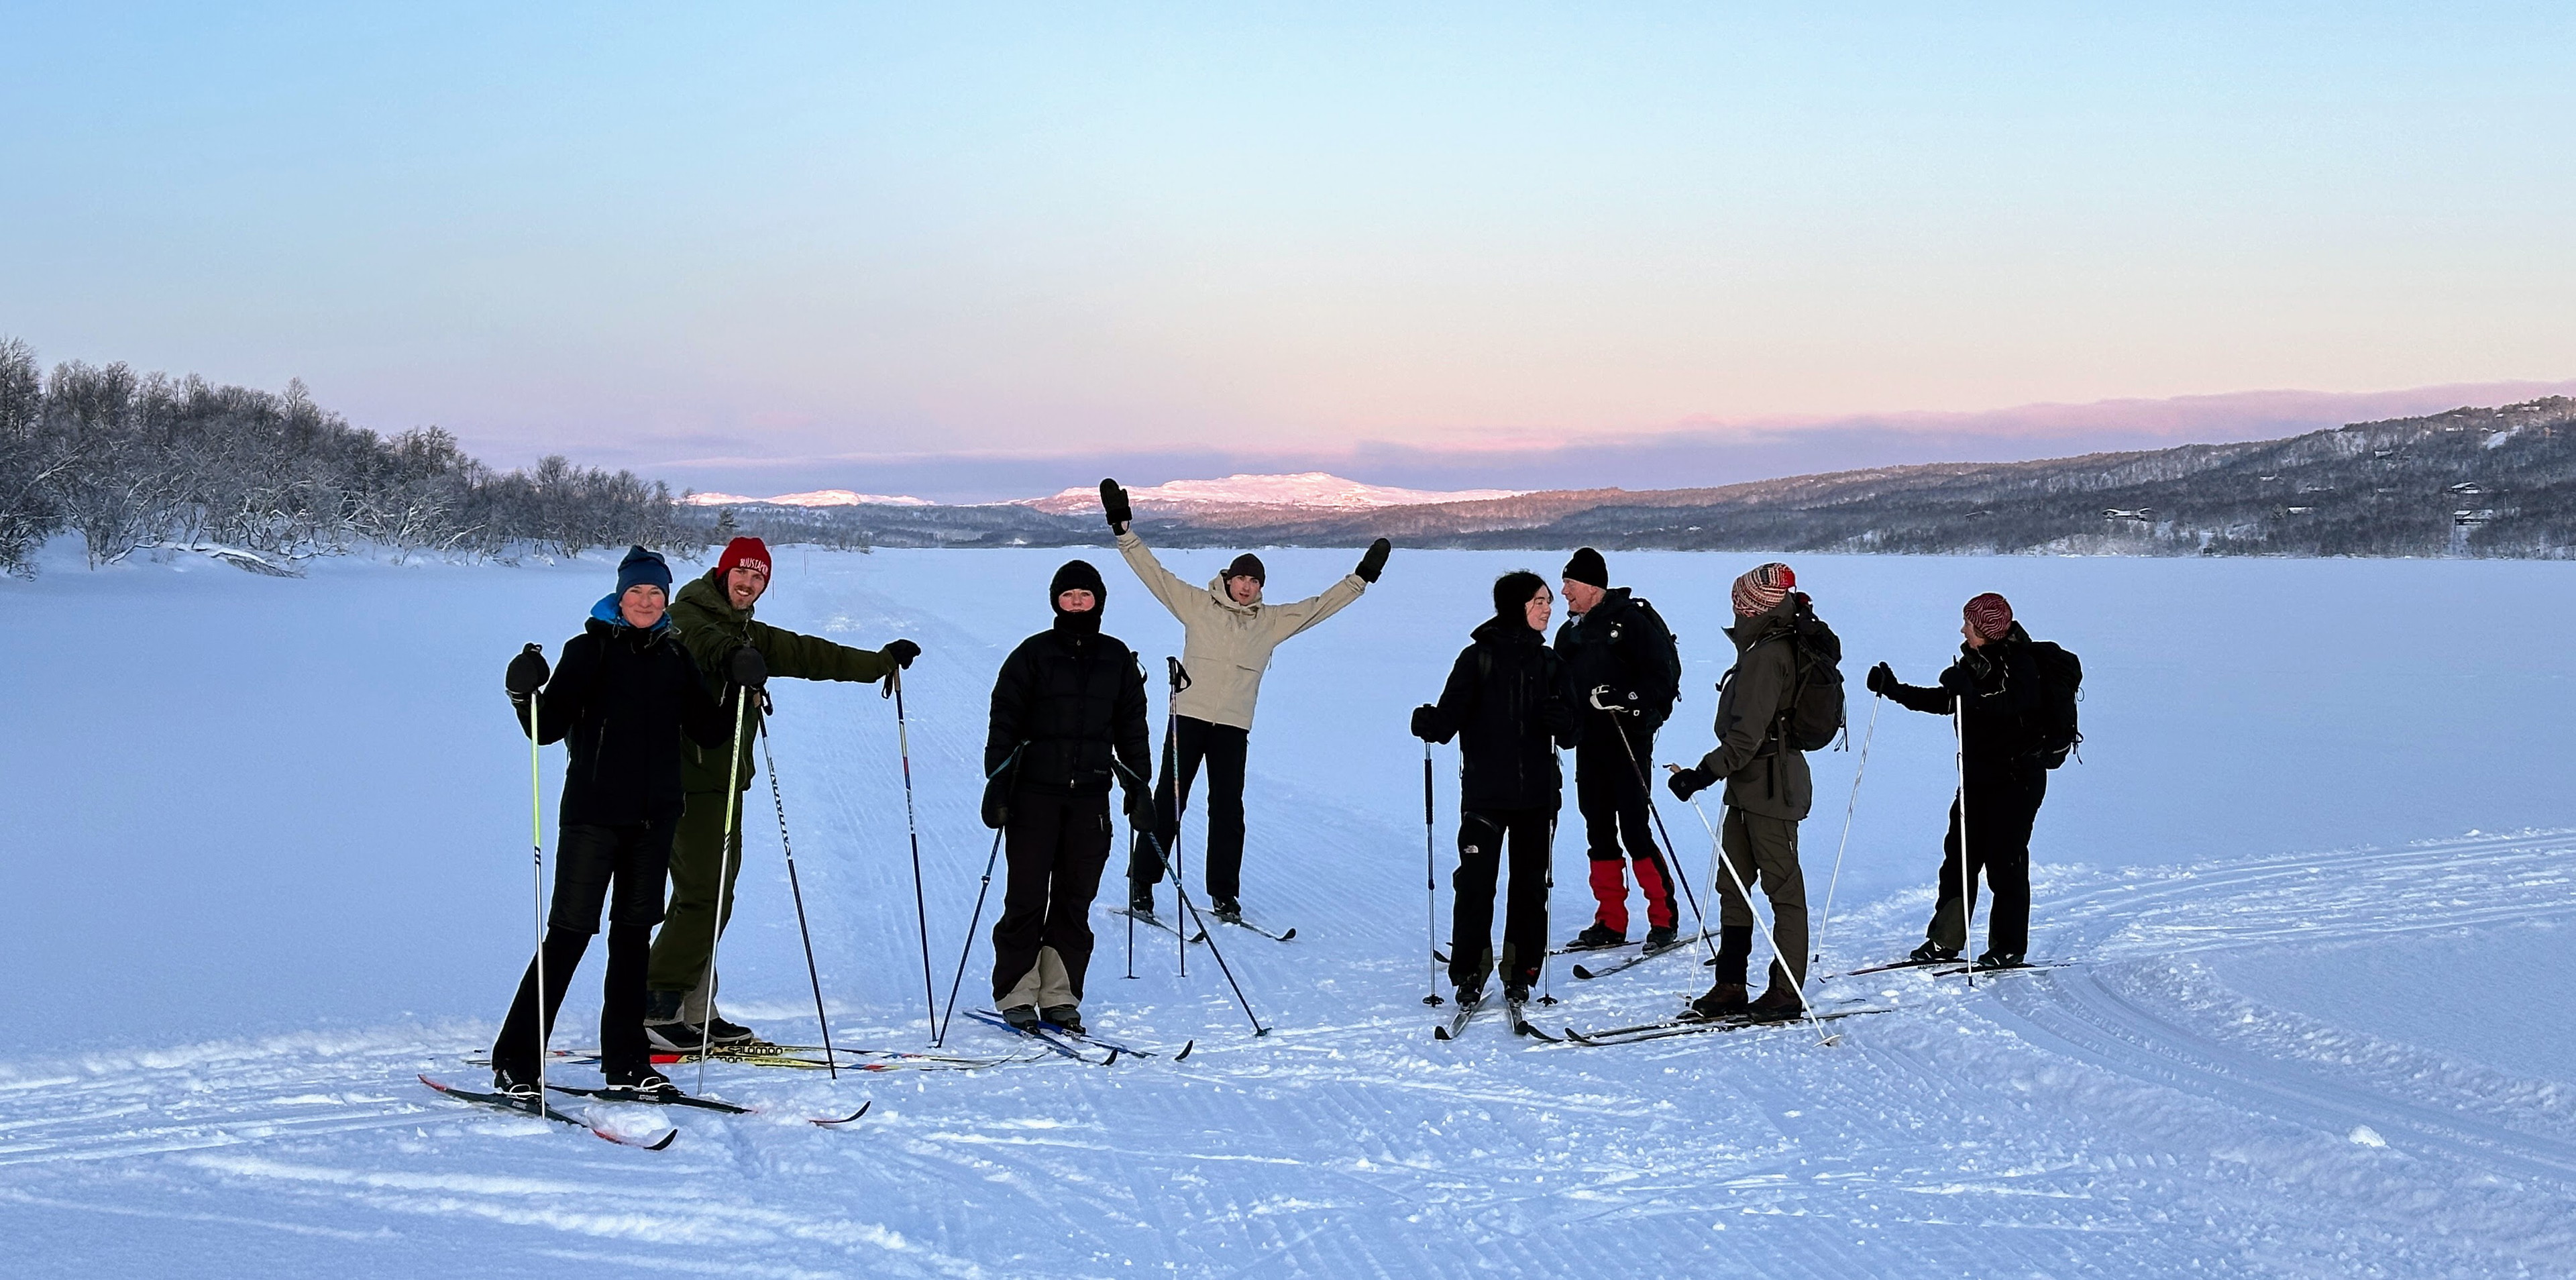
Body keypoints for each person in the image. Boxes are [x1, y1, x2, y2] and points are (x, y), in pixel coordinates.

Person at [643, 535, 921, 1051]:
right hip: (687, 783)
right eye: (741, 575)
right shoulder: (685, 613)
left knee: (714, 896)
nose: (748, 585)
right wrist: (735, 657)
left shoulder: (746, 629)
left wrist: (879, 663)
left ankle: (694, 1010)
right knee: (703, 895)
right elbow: (701, 642)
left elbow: (810, 654)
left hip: (725, 783)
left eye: (759, 579)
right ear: (722, 574)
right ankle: (655, 1005)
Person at [490, 546, 732, 1099]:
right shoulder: (588, 651)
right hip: (593, 819)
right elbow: (545, 728)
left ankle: (628, 1062)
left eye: (655, 594)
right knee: (569, 936)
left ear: (665, 599)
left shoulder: (676, 657)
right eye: (637, 592)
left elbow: (711, 730)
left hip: (654, 821)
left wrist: (744, 684)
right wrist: (521, 690)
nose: (646, 602)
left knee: (632, 941)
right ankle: (516, 1060)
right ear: (619, 597)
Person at [1098, 478, 1391, 923]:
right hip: (1189, 719)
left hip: (1233, 727)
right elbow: (1154, 574)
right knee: (1168, 805)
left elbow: (1318, 606)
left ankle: (1223, 894)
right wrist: (1123, 530)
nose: (1247, 587)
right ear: (1228, 578)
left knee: (1228, 811)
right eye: (1242, 578)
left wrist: (1361, 579)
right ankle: (1143, 885)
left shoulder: (1270, 623)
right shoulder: (1197, 604)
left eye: (1255, 581)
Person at [982, 559, 1154, 1033]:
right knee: (1026, 897)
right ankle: (1017, 993)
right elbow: (1004, 725)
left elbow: (1132, 731)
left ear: (1099, 601)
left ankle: (1059, 995)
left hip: (1090, 801)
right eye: (1068, 596)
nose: (1077, 603)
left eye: (1085, 596)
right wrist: (997, 782)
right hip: (1033, 798)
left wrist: (1139, 787)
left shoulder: (1117, 659)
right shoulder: (1031, 656)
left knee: (1075, 900)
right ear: (1055, 601)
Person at [1409, 571, 1578, 1008]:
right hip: (1485, 796)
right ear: (1514, 606)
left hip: (1538, 797)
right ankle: (1469, 973)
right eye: (1538, 601)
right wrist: (1427, 723)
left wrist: (1565, 723)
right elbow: (1447, 723)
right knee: (1475, 886)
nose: (1547, 608)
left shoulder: (1551, 664)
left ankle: (1521, 973)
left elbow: (1574, 730)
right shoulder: (1477, 659)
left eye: (1548, 601)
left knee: (1530, 890)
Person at [1666, 562, 1825, 1020]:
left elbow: (1744, 739)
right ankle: (1731, 983)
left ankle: (1786, 991)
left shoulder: (1768, 655)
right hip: (1748, 785)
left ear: (1755, 607)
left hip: (1771, 789)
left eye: (1740, 602)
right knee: (1732, 884)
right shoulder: (1765, 645)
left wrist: (1700, 774)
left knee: (1782, 889)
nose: (1735, 609)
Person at [1865, 592, 2047, 968]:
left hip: (2017, 780)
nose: (1963, 629)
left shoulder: (2022, 663)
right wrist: (1894, 689)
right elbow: (1946, 702)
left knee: (2005, 863)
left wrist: (1969, 692)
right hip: (1977, 779)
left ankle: (2008, 946)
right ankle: (1945, 940)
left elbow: (2012, 706)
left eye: (1970, 623)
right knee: (1959, 861)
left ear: (1987, 629)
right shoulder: (1974, 662)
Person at [1552, 547, 1684, 953]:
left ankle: (1663, 920)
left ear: (1593, 586)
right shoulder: (1569, 633)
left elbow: (1662, 682)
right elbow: (1558, 687)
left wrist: (1625, 697)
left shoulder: (1632, 622)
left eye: (1570, 585)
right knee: (1598, 830)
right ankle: (1610, 922)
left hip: (1629, 742)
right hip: (1589, 745)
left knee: (1635, 830)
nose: (1563, 593)